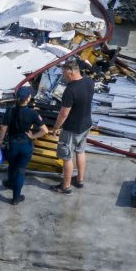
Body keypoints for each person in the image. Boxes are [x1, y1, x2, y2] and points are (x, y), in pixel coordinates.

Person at [0, 85, 48, 205]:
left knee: (12, 165)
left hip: (12, 144)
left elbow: (4, 127)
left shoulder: (10, 110)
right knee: (20, 170)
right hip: (25, 145)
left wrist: (1, 140)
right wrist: (32, 136)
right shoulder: (33, 113)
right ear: (28, 98)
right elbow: (45, 130)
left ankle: (10, 182)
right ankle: (16, 198)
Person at [50, 58, 95, 195]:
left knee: (67, 157)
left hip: (72, 128)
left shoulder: (70, 90)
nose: (64, 77)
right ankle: (80, 180)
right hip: (86, 124)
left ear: (70, 73)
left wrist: (56, 128)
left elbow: (64, 114)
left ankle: (66, 186)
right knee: (80, 151)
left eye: (64, 74)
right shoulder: (89, 82)